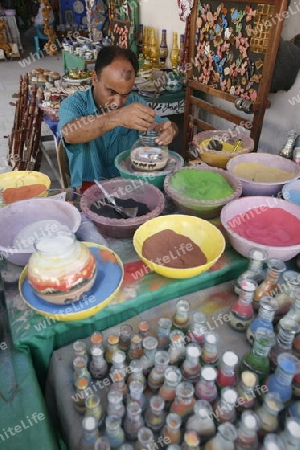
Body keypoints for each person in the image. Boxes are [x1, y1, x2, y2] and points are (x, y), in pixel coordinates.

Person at [58, 45, 178, 191]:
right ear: (95, 78)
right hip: (89, 191)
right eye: (111, 91)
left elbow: (161, 125)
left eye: (125, 94)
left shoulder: (135, 102)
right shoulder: (74, 104)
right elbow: (70, 134)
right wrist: (117, 117)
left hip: (128, 187)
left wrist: (169, 129)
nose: (118, 102)